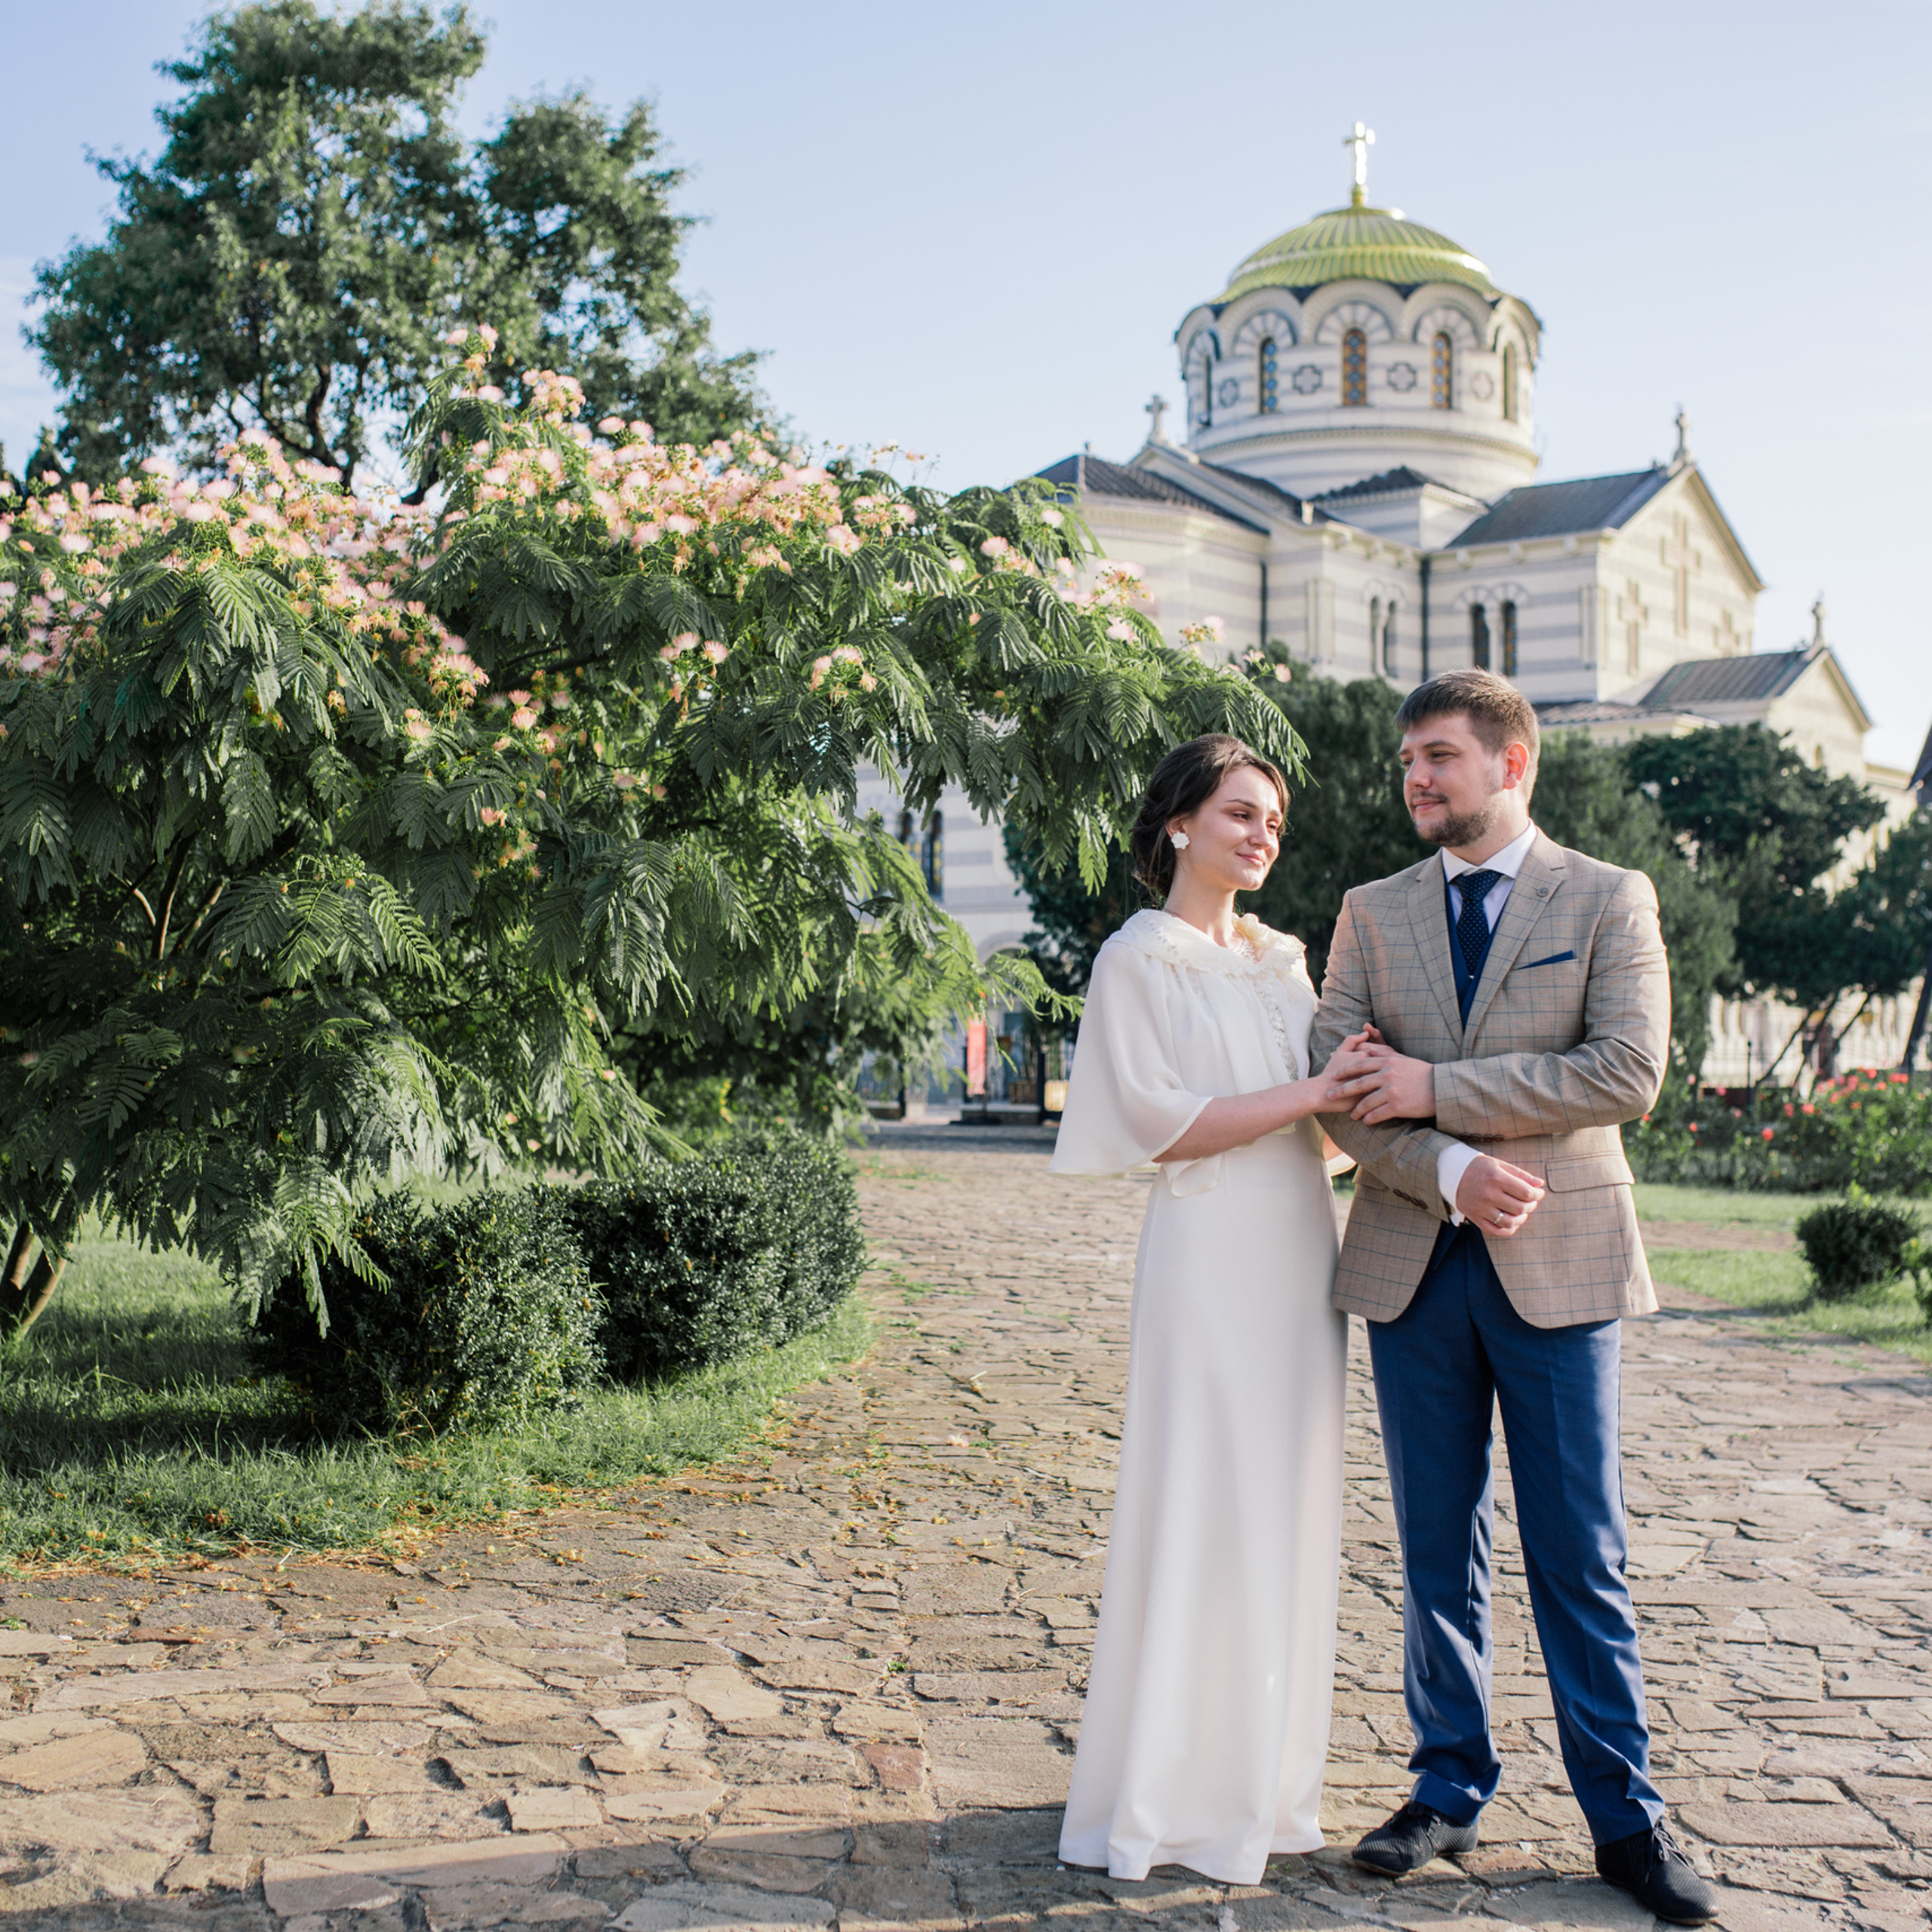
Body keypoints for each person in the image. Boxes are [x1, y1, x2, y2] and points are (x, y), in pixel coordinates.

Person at [1309, 669, 1717, 1926]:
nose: (1418, 778)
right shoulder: (1371, 911)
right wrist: (1442, 1165)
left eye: (1439, 756)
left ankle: (1626, 1821)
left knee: (1578, 1550)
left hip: (1565, 1261)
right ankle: (1446, 1784)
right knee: (1437, 1547)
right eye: (1408, 762)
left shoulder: (1608, 896)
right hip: (1413, 1262)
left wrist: (1436, 1092)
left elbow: (1627, 1069)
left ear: (1513, 761)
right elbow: (1335, 1089)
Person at [1048, 733, 1380, 1885]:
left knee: (1285, 1509)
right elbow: (1163, 1122)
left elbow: (1324, 1129)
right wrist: (1314, 1091)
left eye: (1274, 821)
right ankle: (1164, 1791)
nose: (1262, 835)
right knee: (1199, 1498)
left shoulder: (1287, 961)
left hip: (1300, 1249)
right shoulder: (1137, 960)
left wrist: (1372, 1093)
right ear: (1181, 824)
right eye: (1241, 813)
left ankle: (1261, 1784)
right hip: (1206, 1249)